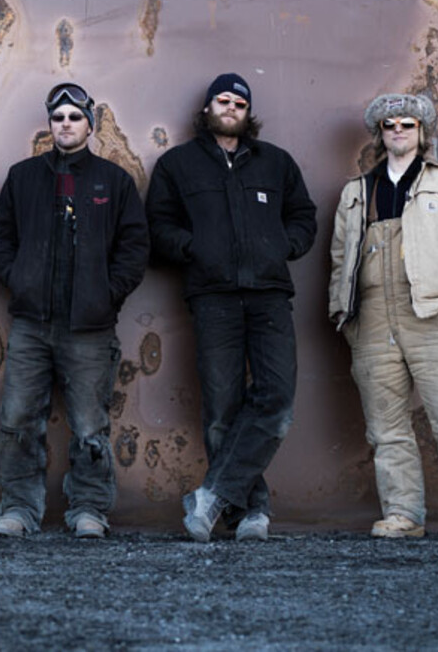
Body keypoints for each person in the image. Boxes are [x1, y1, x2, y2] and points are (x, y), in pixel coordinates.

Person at [147, 73, 316, 542]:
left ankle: (210, 496)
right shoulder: (177, 165)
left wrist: (282, 245)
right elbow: (158, 225)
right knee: (223, 409)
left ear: (248, 112)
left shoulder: (276, 163)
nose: (231, 107)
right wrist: (195, 248)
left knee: (277, 401)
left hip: (269, 295)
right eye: (222, 100)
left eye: (239, 102)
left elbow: (303, 217)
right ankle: (251, 511)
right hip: (213, 297)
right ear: (206, 109)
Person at [329, 93, 438, 541]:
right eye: (389, 125)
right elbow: (340, 255)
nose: (398, 130)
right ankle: (404, 514)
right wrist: (343, 315)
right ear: (379, 134)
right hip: (371, 319)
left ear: (421, 132)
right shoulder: (356, 191)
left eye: (407, 124)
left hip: (431, 311)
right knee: (386, 428)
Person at [0, 83, 148, 539]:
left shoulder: (113, 182)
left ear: (89, 125)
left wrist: (106, 293)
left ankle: (90, 509)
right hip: (32, 324)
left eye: (75, 118)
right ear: (49, 125)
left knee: (89, 423)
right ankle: (18, 507)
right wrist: (17, 278)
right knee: (18, 418)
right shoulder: (23, 177)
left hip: (90, 328)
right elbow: (1, 234)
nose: (65, 125)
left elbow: (134, 247)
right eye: (58, 118)